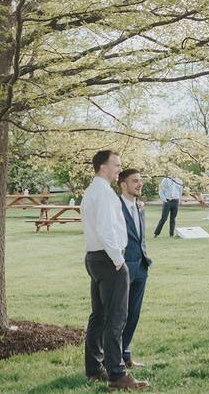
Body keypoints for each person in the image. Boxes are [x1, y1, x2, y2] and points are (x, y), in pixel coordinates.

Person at [82, 149, 148, 390]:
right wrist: (119, 261)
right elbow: (106, 230)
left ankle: (94, 368)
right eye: (116, 165)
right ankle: (117, 375)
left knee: (98, 316)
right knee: (116, 319)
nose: (120, 169)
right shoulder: (103, 194)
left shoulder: (92, 191)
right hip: (109, 261)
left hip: (94, 257)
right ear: (103, 167)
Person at [117, 169, 153, 371]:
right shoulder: (115, 206)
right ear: (123, 184)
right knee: (119, 315)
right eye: (135, 181)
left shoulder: (140, 206)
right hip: (122, 267)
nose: (140, 184)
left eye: (141, 180)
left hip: (141, 266)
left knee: (134, 314)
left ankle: (126, 354)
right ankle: (112, 358)